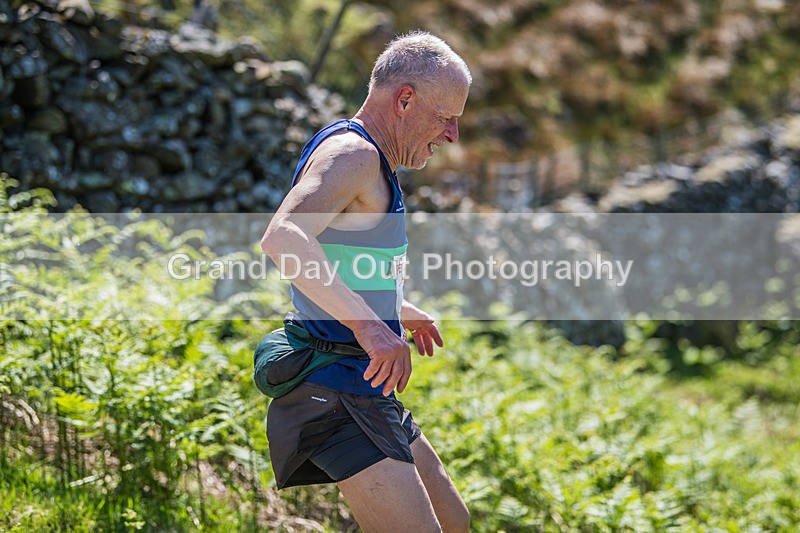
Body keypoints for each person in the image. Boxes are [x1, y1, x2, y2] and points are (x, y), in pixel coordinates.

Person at [261, 31, 471, 532]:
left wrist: (395, 310)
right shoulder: (354, 155)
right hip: (331, 388)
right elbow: (284, 238)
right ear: (404, 99)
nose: (453, 135)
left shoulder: (371, 158)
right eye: (446, 117)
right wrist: (371, 329)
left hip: (363, 386)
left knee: (454, 521)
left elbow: (343, 255)